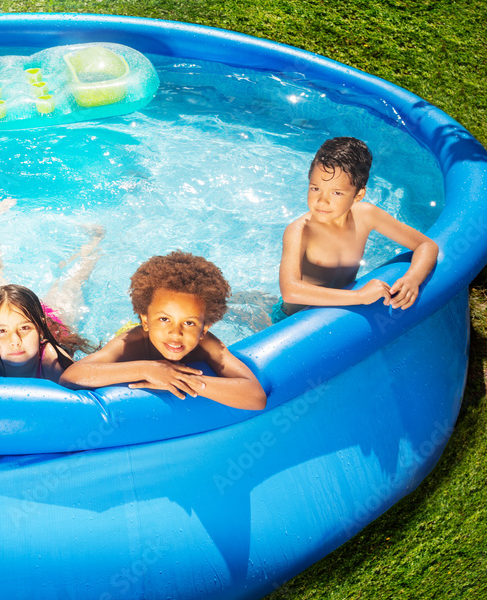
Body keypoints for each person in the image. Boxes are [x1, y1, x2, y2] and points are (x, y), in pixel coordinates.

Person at [60, 251, 266, 410]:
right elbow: (72, 376)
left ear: (204, 329)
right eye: (165, 319)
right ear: (146, 320)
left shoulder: (208, 344)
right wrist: (147, 369)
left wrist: (186, 380)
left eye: (190, 323)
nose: (176, 333)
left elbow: (256, 397)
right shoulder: (130, 343)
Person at [274, 137, 438, 322]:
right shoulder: (300, 231)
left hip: (338, 312)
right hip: (292, 318)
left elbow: (426, 245)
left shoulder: (366, 215)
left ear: (358, 194)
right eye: (315, 188)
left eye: (336, 193)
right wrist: (360, 296)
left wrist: (413, 278)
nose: (322, 201)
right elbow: (290, 291)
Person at [0, 198, 99, 381]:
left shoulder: (54, 364)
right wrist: (18, 325)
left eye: (24, 328)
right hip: (19, 315)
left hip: (52, 321)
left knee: (73, 280)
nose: (15, 340)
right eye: (1, 332)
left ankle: (96, 239)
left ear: (40, 332)